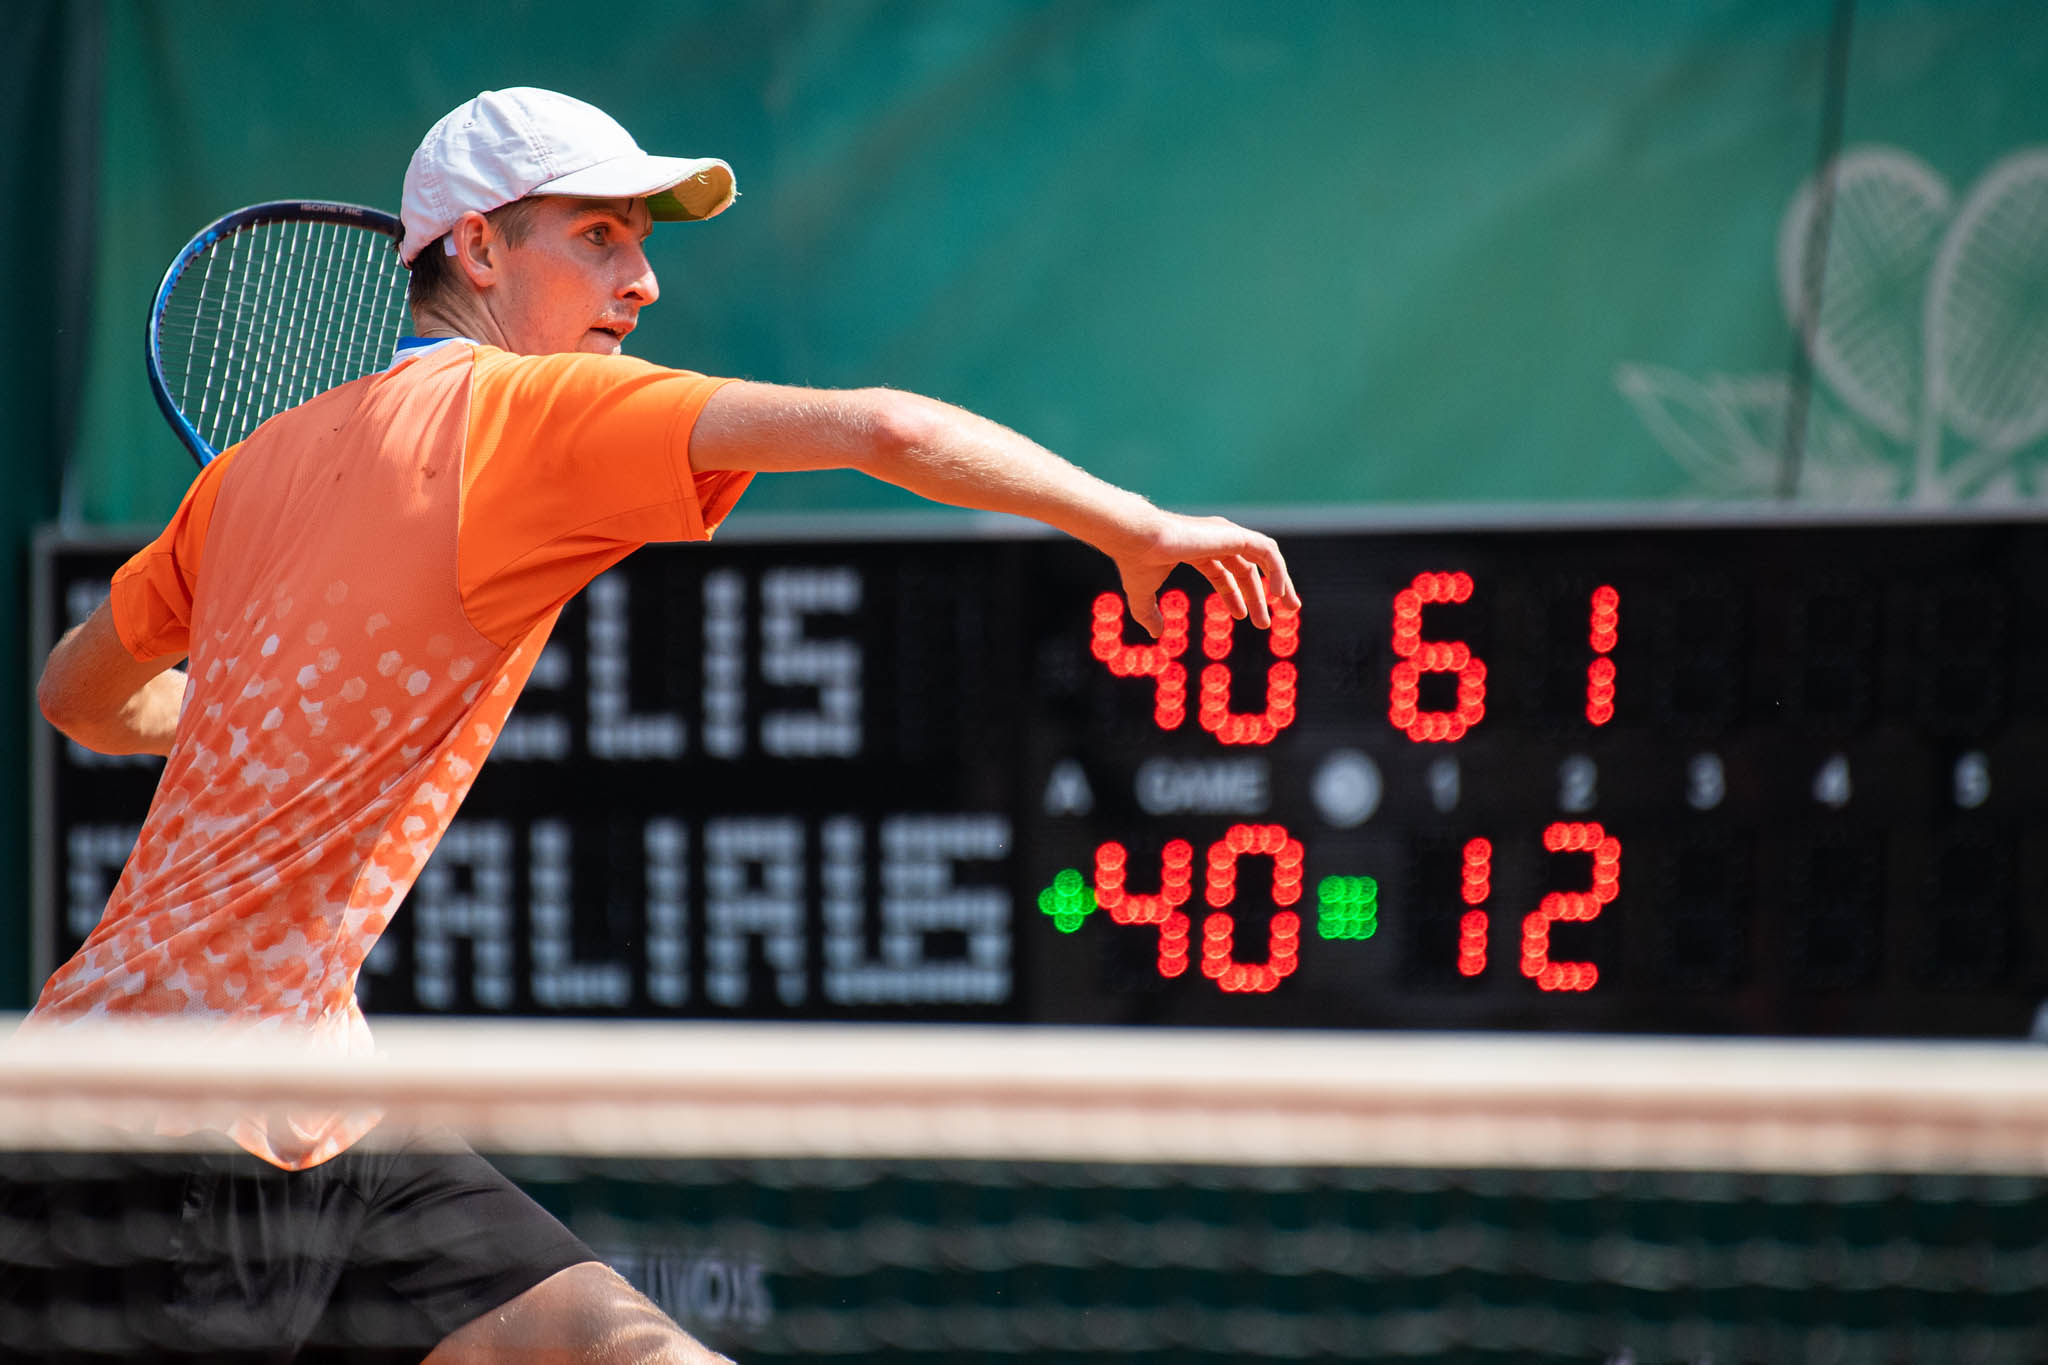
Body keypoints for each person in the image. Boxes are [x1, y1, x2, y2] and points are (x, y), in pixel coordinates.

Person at [13, 88, 1299, 1363]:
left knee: (634, 1353)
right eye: (597, 238)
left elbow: (76, 691)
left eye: (640, 243)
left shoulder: (250, 469)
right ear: (474, 248)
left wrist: (260, 732)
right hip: (167, 1125)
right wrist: (1133, 524)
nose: (641, 284)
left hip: (310, 1097)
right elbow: (880, 427)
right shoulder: (528, 412)